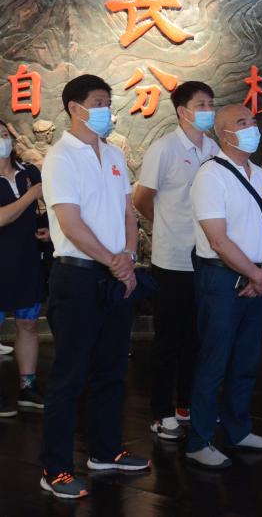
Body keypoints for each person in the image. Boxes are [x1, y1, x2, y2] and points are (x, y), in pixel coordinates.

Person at [39, 74, 149, 499]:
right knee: (69, 376)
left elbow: (127, 213)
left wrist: (128, 259)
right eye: (99, 102)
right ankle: (55, 469)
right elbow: (70, 222)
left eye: (108, 101)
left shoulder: (114, 154)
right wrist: (112, 260)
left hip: (117, 274)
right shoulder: (60, 157)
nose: (107, 109)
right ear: (75, 107)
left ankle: (105, 451)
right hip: (78, 276)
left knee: (112, 370)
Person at [186, 104, 262, 469]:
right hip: (222, 280)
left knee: (246, 359)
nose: (252, 127)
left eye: (252, 121)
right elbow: (218, 240)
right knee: (214, 361)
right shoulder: (210, 175)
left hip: (255, 277)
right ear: (224, 134)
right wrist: (257, 275)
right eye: (242, 123)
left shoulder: (260, 174)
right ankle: (200, 440)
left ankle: (239, 429)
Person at [133, 81, 218, 441]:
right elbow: (141, 198)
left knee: (197, 337)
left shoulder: (213, 147)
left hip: (207, 256)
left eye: (211, 104)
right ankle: (161, 412)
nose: (209, 111)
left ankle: (186, 404)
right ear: (182, 111)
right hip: (173, 258)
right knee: (168, 339)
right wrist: (165, 224)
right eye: (202, 105)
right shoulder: (164, 148)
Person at [0, 120, 48, 416]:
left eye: (4, 134)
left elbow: (47, 207)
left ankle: (27, 386)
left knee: (28, 324)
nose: (3, 140)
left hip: (27, 260)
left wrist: (47, 229)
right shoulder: (32, 186)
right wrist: (30, 195)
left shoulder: (29, 172)